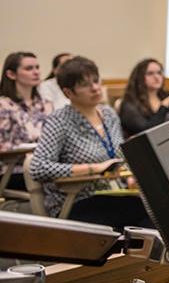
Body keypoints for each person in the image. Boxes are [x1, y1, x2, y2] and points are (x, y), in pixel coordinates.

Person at [28, 56, 151, 229]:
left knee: (157, 209)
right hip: (76, 200)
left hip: (113, 193)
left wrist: (130, 176)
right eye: (85, 85)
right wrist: (93, 169)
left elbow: (119, 155)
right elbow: (38, 167)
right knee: (146, 214)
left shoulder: (108, 114)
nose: (95, 88)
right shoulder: (59, 120)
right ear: (68, 93)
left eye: (96, 81)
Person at [0, 52, 53, 192]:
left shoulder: (46, 105)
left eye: (37, 67)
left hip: (46, 166)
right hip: (13, 170)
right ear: (11, 74)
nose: (36, 72)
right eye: (29, 69)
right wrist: (31, 149)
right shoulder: (3, 105)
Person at [119, 58, 169, 136]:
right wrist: (164, 105)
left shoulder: (165, 95)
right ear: (139, 77)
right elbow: (146, 132)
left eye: (159, 73)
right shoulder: (129, 104)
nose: (156, 77)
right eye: (150, 73)